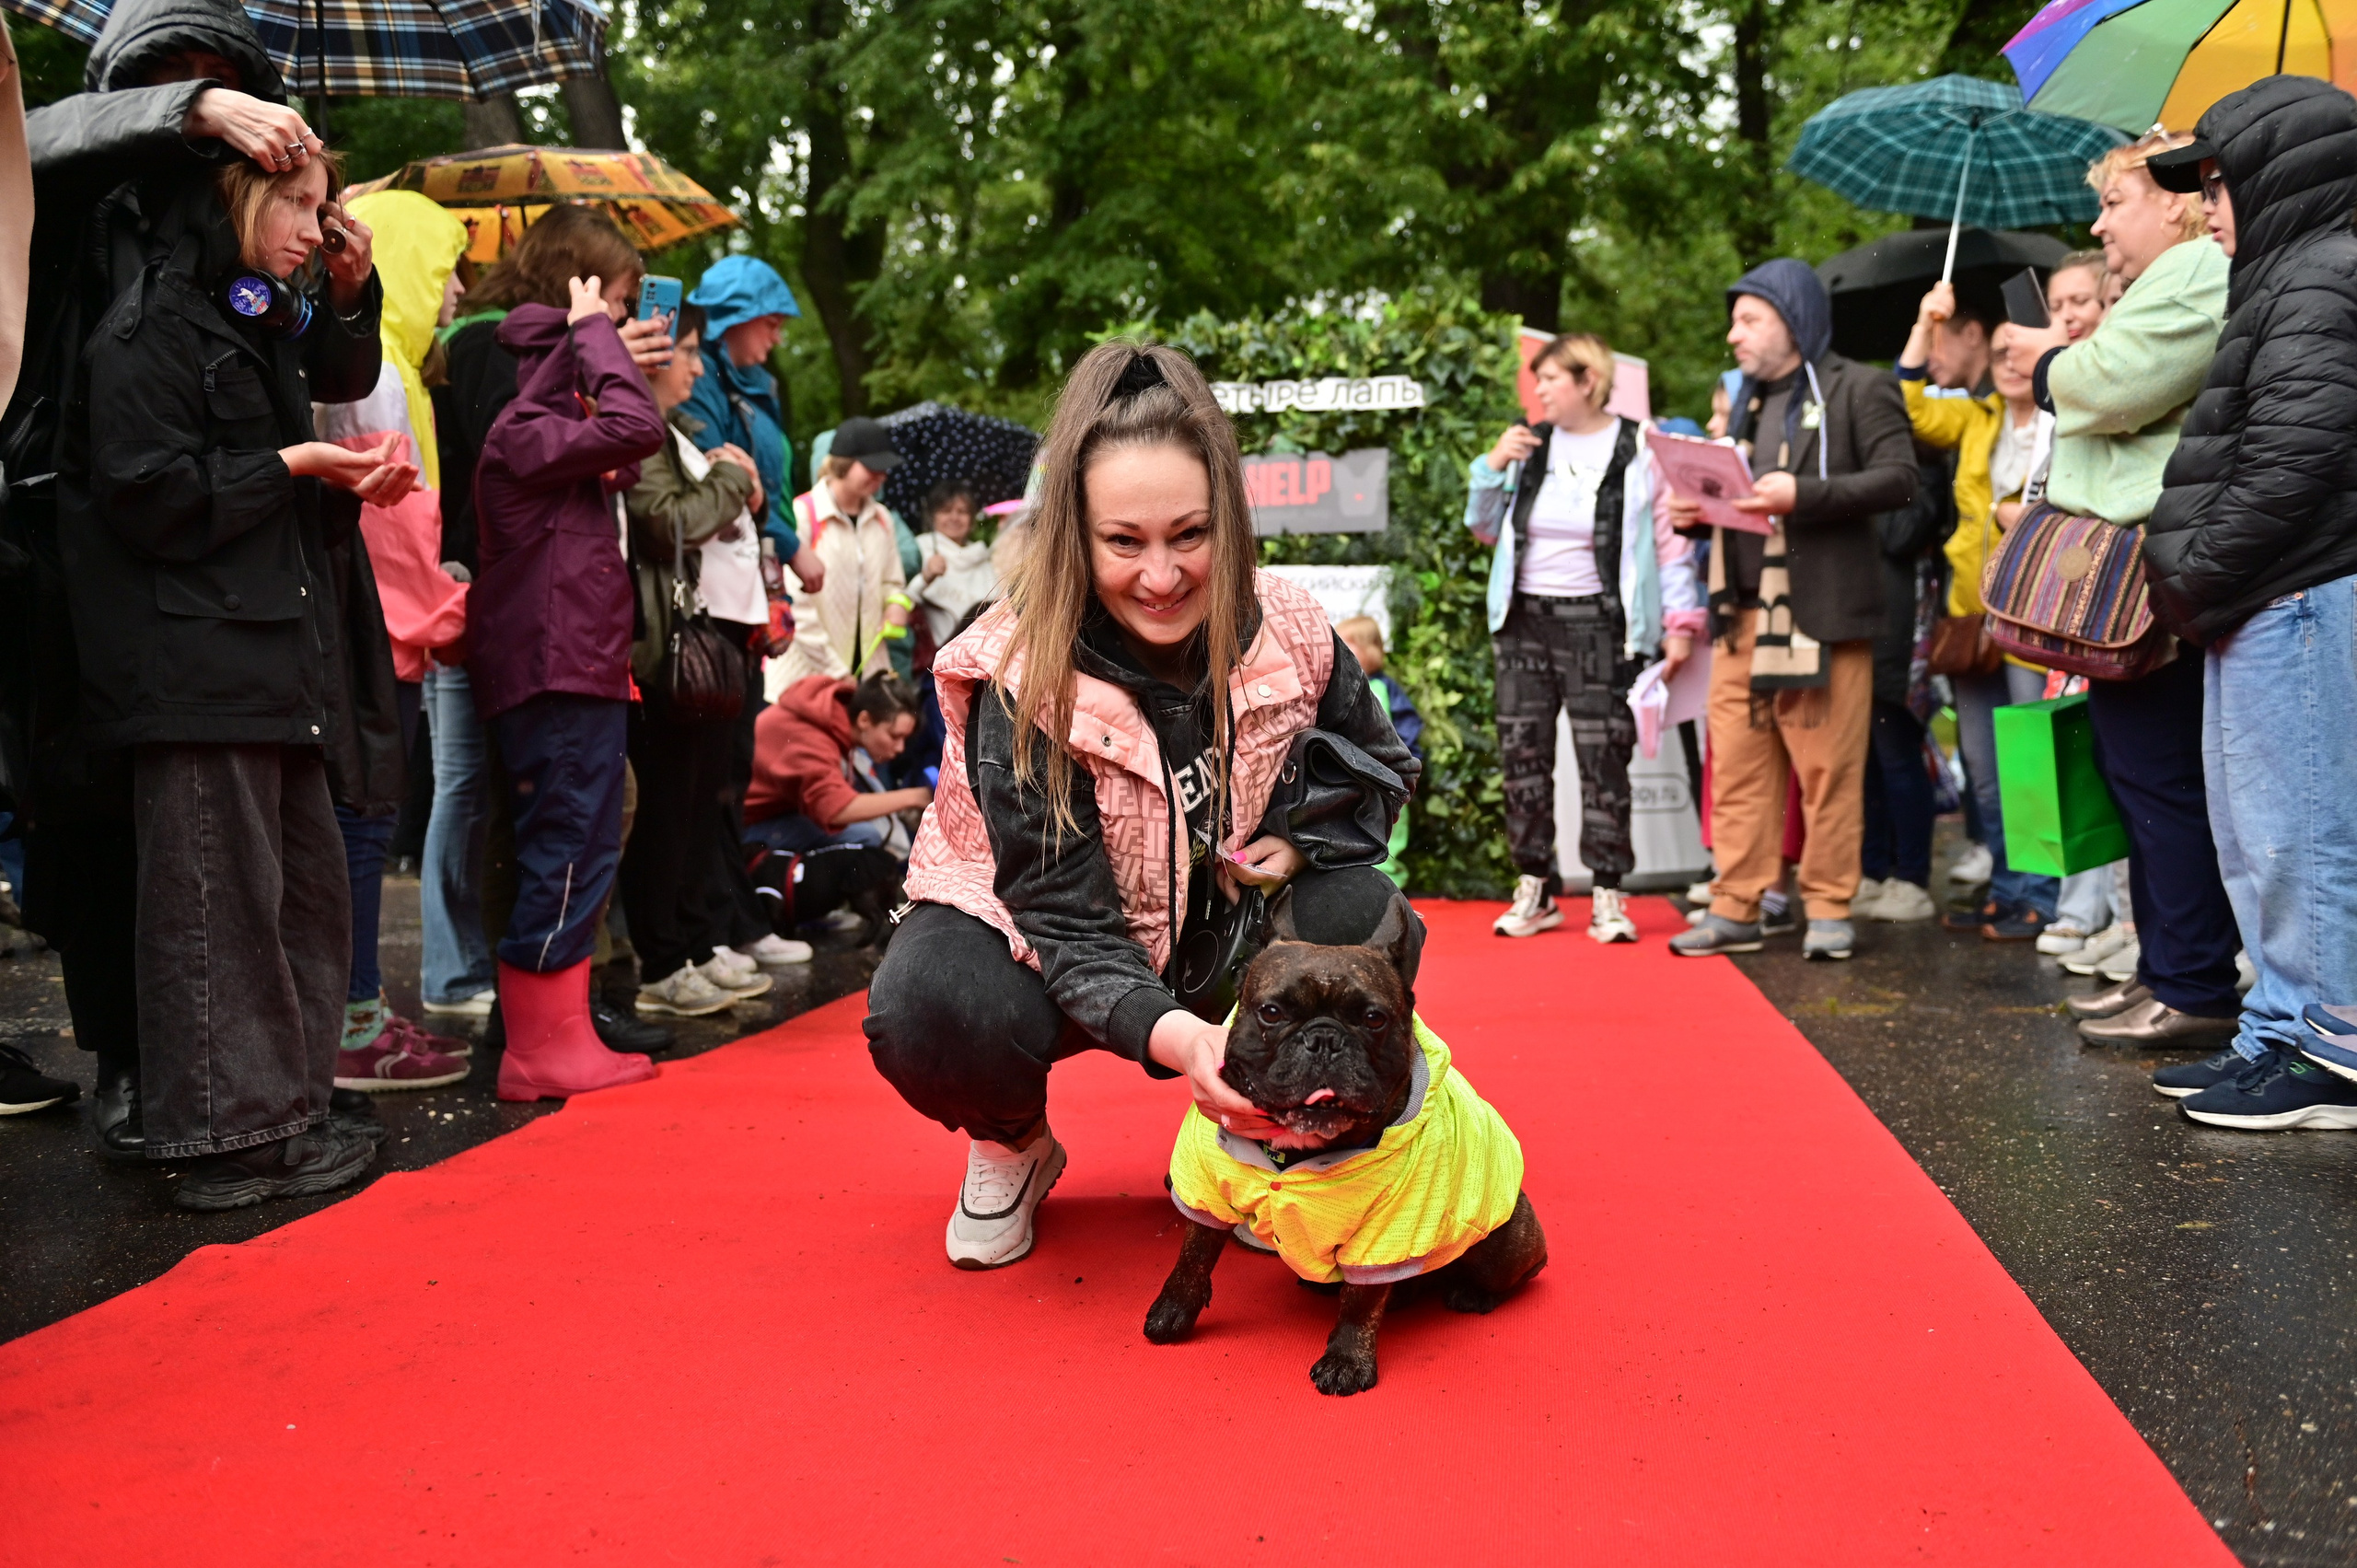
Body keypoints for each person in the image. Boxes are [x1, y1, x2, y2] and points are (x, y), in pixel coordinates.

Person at [863, 341, 1419, 1272]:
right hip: (1031, 941)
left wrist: (1294, 837)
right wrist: (1184, 1041)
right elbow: (1064, 921)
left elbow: (1381, 765)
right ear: (1074, 537)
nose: (1161, 577)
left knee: (1364, 912)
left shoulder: (1290, 624)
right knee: (927, 1006)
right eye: (1124, 542)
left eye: (1188, 535)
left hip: (1217, 930)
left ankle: (1285, 1140)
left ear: (1228, 520)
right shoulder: (1019, 671)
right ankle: (1012, 1141)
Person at [5, 0, 327, 1159]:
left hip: (211, 547)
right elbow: (32, 138)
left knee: (212, 838)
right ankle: (130, 1059)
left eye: (222, 74)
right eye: (178, 76)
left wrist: (344, 290)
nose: (209, 98)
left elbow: (316, 362)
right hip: (67, 534)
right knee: (89, 816)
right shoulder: (81, 171)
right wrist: (191, 108)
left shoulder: (239, 219)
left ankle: (229, 1082)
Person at [58, 143, 407, 1207]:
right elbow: (148, 495)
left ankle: (279, 1116)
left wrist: (351, 295)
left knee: (300, 898)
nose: (312, 226)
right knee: (216, 913)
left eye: (321, 207)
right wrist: (296, 465)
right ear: (234, 194)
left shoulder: (251, 314)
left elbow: (333, 377)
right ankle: (225, 1141)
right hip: (195, 666)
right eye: (296, 205)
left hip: (269, 651)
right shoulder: (152, 326)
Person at [2136, 79, 2357, 1129]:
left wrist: (2192, 575)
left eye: (2218, 183)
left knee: (2299, 836)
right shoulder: (2285, 276)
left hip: (2292, 587)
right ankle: (2277, 1026)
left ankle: (2330, 1048)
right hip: (2262, 593)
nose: (2204, 206)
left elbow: (2292, 462)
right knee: (2255, 838)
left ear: (2277, 177)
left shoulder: (2319, 274)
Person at [2002, 132, 2238, 1053]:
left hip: (2146, 571)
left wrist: (2048, 361)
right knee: (2139, 776)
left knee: (2157, 779)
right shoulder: (2168, 279)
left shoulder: (2195, 271)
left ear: (2176, 205)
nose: (2098, 226)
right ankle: (2166, 968)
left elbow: (2109, 387)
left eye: (2113, 203)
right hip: (2134, 568)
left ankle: (2191, 982)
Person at [423, 207, 677, 1058]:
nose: (625, 316)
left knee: (578, 837)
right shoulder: (522, 425)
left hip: (573, 650)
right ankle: (538, 1040)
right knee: (561, 842)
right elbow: (636, 429)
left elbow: (627, 452)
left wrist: (597, 351)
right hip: (550, 653)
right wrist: (597, 340)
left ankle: (554, 1032)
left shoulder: (541, 418)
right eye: (618, 300)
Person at [1666, 260, 1916, 962]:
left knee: (1828, 772)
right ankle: (1736, 905)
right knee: (1738, 772)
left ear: (1793, 317)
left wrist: (1802, 495)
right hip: (1738, 615)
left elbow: (1902, 481)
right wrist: (1696, 514)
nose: (1734, 334)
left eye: (1749, 319)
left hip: (1821, 618)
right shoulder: (1745, 399)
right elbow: (1741, 499)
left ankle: (1830, 905)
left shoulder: (1859, 386)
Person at [310, 189, 475, 1092]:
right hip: (382, 634)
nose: (457, 291)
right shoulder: (372, 373)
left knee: (364, 823)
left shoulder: (396, 368)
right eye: (446, 269)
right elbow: (388, 531)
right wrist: (446, 610)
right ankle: (353, 1018)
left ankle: (361, 1005)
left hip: (388, 630)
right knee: (362, 825)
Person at [1466, 332, 1702, 943]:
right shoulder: (1529, 443)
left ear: (1588, 381)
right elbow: (1483, 527)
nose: (1539, 389)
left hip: (1602, 622)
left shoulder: (1641, 445)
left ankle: (1608, 893)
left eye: (1551, 378)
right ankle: (1535, 887)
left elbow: (1671, 545)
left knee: (1604, 759)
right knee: (1523, 757)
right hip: (1523, 619)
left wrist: (1680, 624)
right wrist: (1491, 466)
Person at [619, 300, 791, 1020]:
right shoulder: (644, 433)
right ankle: (664, 957)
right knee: (669, 805)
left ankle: (694, 942)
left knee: (701, 801)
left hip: (716, 640)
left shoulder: (680, 433)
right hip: (676, 642)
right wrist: (729, 482)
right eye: (687, 350)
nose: (696, 365)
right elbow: (667, 523)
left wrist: (743, 486)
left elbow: (716, 513)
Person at [1897, 285, 2061, 941]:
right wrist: (1923, 322)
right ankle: (2007, 887)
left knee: (2031, 763)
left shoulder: (2062, 421)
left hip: (2032, 612)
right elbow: (1910, 403)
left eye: (2019, 350)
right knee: (1985, 771)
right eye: (1998, 353)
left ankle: (2043, 898)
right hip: (1972, 615)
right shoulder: (1975, 417)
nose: (2009, 362)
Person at [680, 255, 822, 592]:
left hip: (754, 563)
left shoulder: (752, 382)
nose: (778, 338)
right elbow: (717, 477)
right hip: (722, 573)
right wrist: (792, 547)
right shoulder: (697, 379)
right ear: (735, 317)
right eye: (771, 324)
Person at [778, 417, 911, 684]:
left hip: (868, 674)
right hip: (807, 678)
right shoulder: (802, 514)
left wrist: (897, 604)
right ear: (843, 464)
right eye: (872, 467)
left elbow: (893, 583)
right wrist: (836, 673)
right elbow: (795, 605)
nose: (881, 475)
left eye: (884, 468)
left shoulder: (882, 518)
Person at [745, 668, 932, 856]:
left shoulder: (832, 715)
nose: (900, 748)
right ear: (864, 720)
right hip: (750, 825)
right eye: (894, 736)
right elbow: (834, 811)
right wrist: (915, 797)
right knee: (867, 837)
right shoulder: (813, 738)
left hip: (778, 811)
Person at [1336, 616, 1423, 888]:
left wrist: (1404, 767)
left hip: (1389, 779)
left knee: (1390, 829)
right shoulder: (1339, 689)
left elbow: (1408, 728)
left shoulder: (1385, 689)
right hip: (1351, 778)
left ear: (1370, 650)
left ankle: (1391, 883)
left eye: (1348, 646)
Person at [911, 480, 998, 646]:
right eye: (946, 511)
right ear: (932, 516)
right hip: (930, 653)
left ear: (972, 519)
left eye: (962, 512)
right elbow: (900, 600)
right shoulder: (918, 549)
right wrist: (925, 577)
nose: (954, 518)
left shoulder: (983, 559)